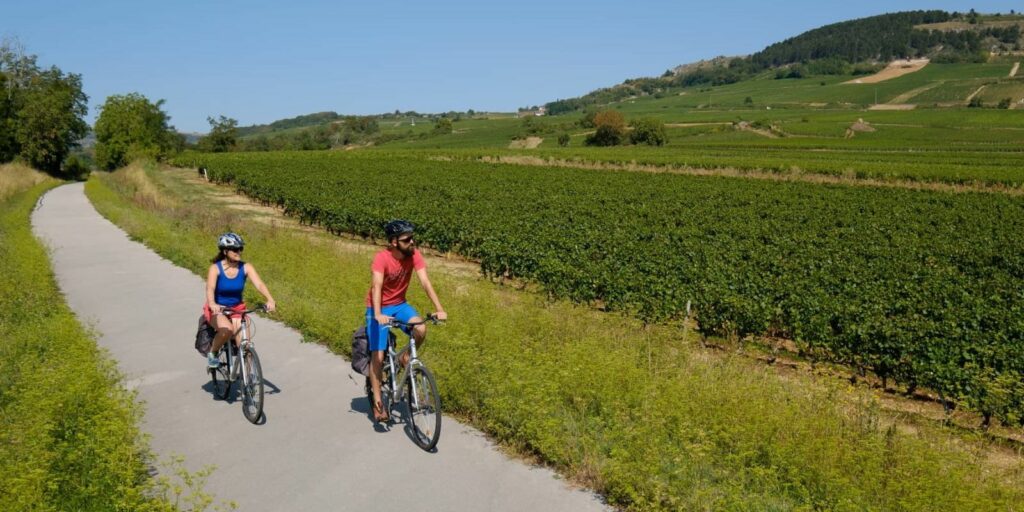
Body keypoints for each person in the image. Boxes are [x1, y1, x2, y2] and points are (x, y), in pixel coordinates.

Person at [366, 220, 447, 422]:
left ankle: (404, 357)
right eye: (407, 239)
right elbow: (376, 286)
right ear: (394, 242)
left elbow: (425, 282)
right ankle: (378, 402)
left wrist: (439, 308)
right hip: (379, 307)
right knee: (378, 355)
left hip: (400, 305)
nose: (412, 242)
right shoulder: (381, 259)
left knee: (420, 329)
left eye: (412, 237)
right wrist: (377, 314)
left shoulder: (414, 255)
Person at [204, 232, 276, 368]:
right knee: (227, 330)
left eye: (240, 249)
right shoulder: (215, 268)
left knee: (245, 345)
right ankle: (213, 353)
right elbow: (210, 288)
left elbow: (259, 284)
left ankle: (248, 379)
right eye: (235, 249)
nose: (239, 252)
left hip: (237, 309)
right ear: (225, 251)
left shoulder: (246, 267)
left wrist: (270, 299)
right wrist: (212, 303)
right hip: (218, 308)